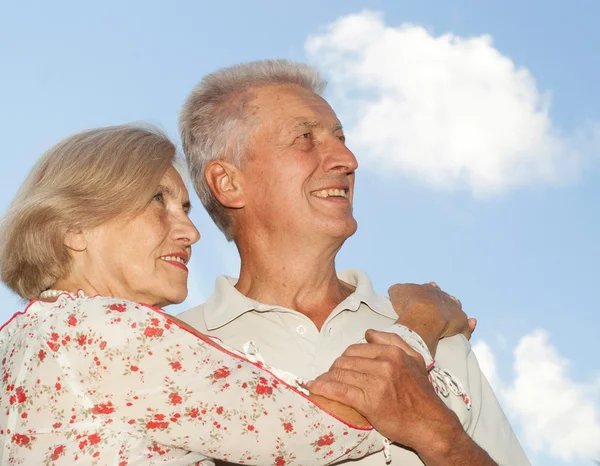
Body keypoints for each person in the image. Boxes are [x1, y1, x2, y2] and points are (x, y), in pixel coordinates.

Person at [0, 124, 470, 465]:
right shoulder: (102, 333)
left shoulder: (26, 339)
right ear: (75, 228)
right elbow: (321, 429)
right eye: (156, 201)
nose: (190, 231)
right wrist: (422, 322)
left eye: (185, 207)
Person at [178, 59, 531, 466]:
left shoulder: (444, 338)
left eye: (341, 137)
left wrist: (440, 436)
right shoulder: (171, 351)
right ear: (228, 182)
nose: (347, 158)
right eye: (305, 137)